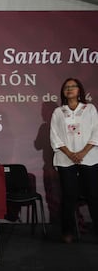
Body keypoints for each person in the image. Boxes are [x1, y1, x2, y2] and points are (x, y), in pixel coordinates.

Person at [50, 78, 98, 244]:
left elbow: (96, 132)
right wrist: (70, 154)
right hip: (65, 160)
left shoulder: (89, 109)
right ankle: (67, 231)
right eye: (66, 87)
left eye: (73, 86)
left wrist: (83, 152)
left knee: (94, 195)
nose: (69, 89)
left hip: (89, 158)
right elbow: (54, 136)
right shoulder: (58, 112)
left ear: (79, 90)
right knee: (69, 197)